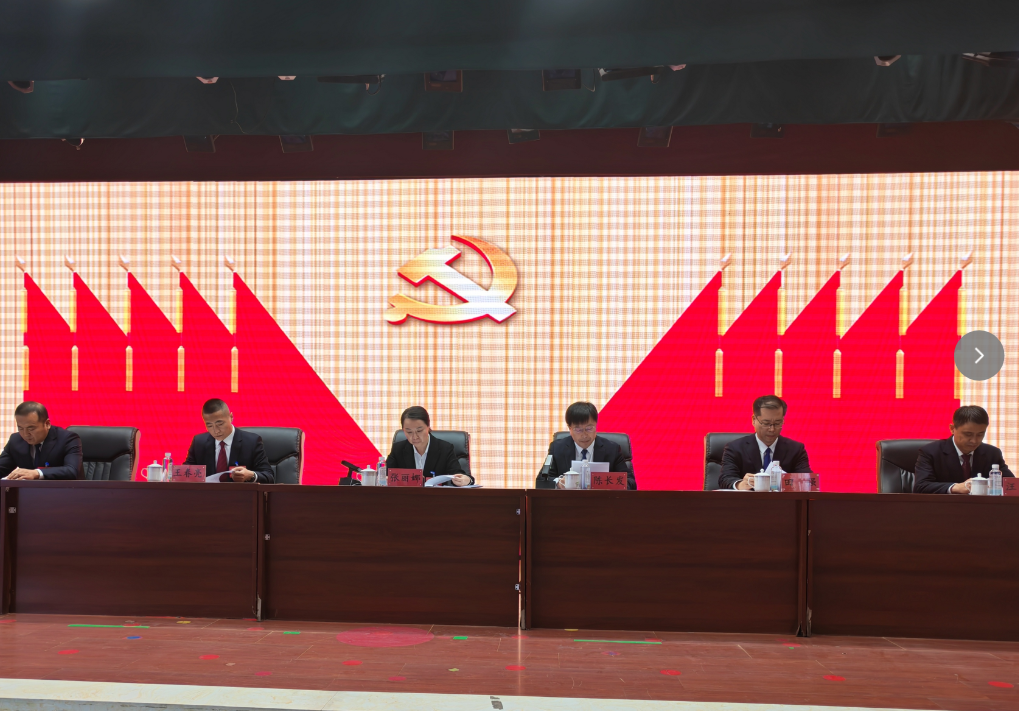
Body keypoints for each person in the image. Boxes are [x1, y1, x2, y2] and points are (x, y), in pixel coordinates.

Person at [913, 405, 1014, 494]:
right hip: (944, 507)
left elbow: (1011, 485)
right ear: (952, 429)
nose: (974, 441)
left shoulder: (992, 453)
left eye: (980, 434)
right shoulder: (931, 452)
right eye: (968, 434)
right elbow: (921, 486)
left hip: (982, 508)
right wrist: (956, 487)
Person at [720, 395, 811, 490]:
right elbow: (725, 478)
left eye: (777, 423)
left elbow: (808, 481)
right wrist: (740, 484)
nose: (772, 429)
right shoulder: (735, 448)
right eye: (766, 423)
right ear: (754, 420)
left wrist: (787, 482)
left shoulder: (796, 449)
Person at [546, 401, 635, 489]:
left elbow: (630, 482)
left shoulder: (612, 449)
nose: (584, 435)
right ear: (570, 429)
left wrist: (608, 484)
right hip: (569, 498)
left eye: (589, 428)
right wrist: (558, 483)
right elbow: (542, 480)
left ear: (596, 425)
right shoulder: (557, 448)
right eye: (578, 430)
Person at [182, 399, 274, 483]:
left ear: (231, 417)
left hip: (239, 495)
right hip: (208, 495)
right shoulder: (199, 442)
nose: (216, 431)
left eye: (220, 424)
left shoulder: (252, 442)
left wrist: (251, 475)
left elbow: (269, 476)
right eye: (209, 426)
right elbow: (185, 474)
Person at [386, 406, 474, 486]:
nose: (414, 437)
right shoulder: (398, 449)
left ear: (428, 427)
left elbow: (458, 475)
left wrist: (467, 480)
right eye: (409, 432)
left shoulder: (445, 449)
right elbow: (385, 474)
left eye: (419, 431)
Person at [0, 402, 83, 480]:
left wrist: (37, 473)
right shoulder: (15, 440)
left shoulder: (67, 439)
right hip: (27, 490)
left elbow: (71, 470)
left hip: (62, 489)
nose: (25, 434)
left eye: (31, 428)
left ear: (47, 424)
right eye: (20, 428)